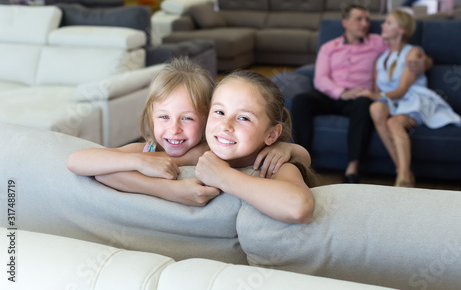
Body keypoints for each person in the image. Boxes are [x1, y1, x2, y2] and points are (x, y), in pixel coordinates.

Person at [67, 57, 310, 207]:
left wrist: (287, 147)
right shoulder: (148, 151)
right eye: (163, 116)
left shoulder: (206, 151)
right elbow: (84, 165)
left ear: (204, 121)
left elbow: (297, 197)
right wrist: (167, 188)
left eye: (187, 118)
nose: (174, 129)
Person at [291, 4, 430, 183]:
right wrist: (341, 93)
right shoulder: (329, 47)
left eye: (367, 19)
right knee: (301, 100)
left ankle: (352, 170)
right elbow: (320, 79)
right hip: (333, 95)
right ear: (345, 22)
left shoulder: (378, 42)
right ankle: (302, 163)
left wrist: (426, 62)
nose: (365, 24)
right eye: (359, 19)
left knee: (365, 103)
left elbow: (405, 49)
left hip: (359, 97)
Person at [356, 9, 461, 187]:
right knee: (375, 108)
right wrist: (372, 96)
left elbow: (403, 89)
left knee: (394, 123)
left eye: (389, 22)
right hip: (392, 101)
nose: (382, 25)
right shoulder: (379, 60)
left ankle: (403, 177)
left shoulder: (413, 53)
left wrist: (373, 94)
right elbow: (378, 94)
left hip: (412, 98)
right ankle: (404, 171)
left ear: (402, 30)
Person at [195, 70, 315, 223]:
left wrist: (223, 177)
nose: (225, 125)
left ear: (271, 135)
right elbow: (157, 161)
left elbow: (298, 207)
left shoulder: (273, 166)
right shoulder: (201, 150)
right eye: (219, 112)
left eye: (244, 118)